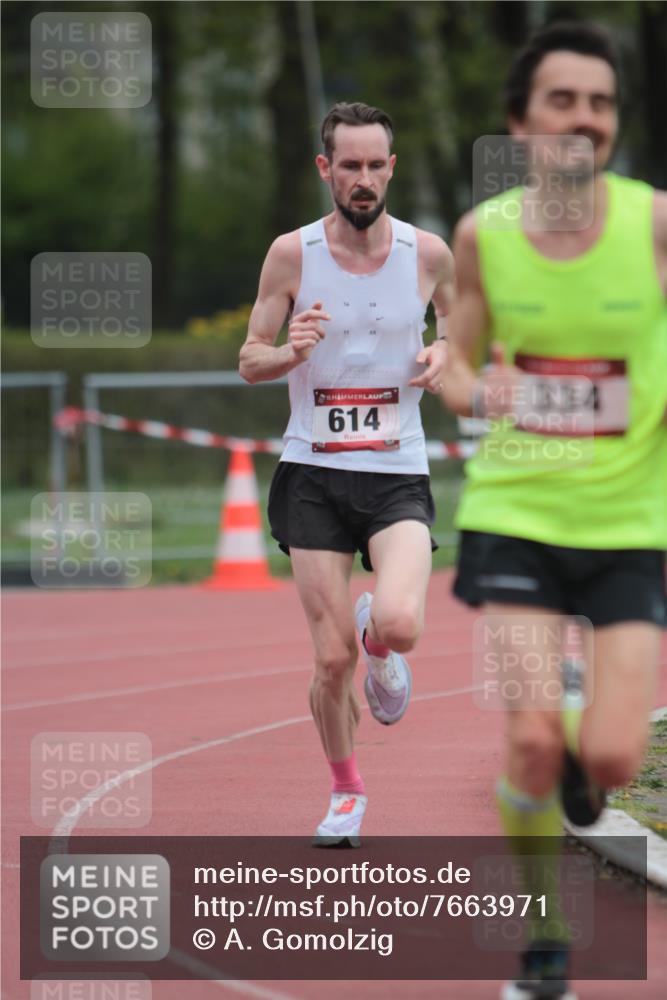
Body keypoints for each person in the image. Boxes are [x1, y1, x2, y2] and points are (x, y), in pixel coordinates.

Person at [441, 21, 666, 1000]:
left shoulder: (653, 223)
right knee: (531, 741)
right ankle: (542, 942)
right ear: (521, 123)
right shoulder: (481, 235)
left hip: (629, 521)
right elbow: (451, 358)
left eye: (601, 103)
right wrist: (470, 389)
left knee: (609, 753)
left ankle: (582, 747)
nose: (584, 120)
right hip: (519, 507)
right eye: (563, 102)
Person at [239, 102, 454, 847]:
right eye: (349, 166)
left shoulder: (427, 254)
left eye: (375, 165)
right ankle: (345, 792)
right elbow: (248, 360)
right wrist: (290, 354)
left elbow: (461, 329)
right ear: (325, 170)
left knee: (399, 623)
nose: (363, 180)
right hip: (312, 474)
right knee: (326, 659)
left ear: (390, 168)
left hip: (396, 471)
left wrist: (446, 353)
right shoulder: (291, 255)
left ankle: (380, 644)